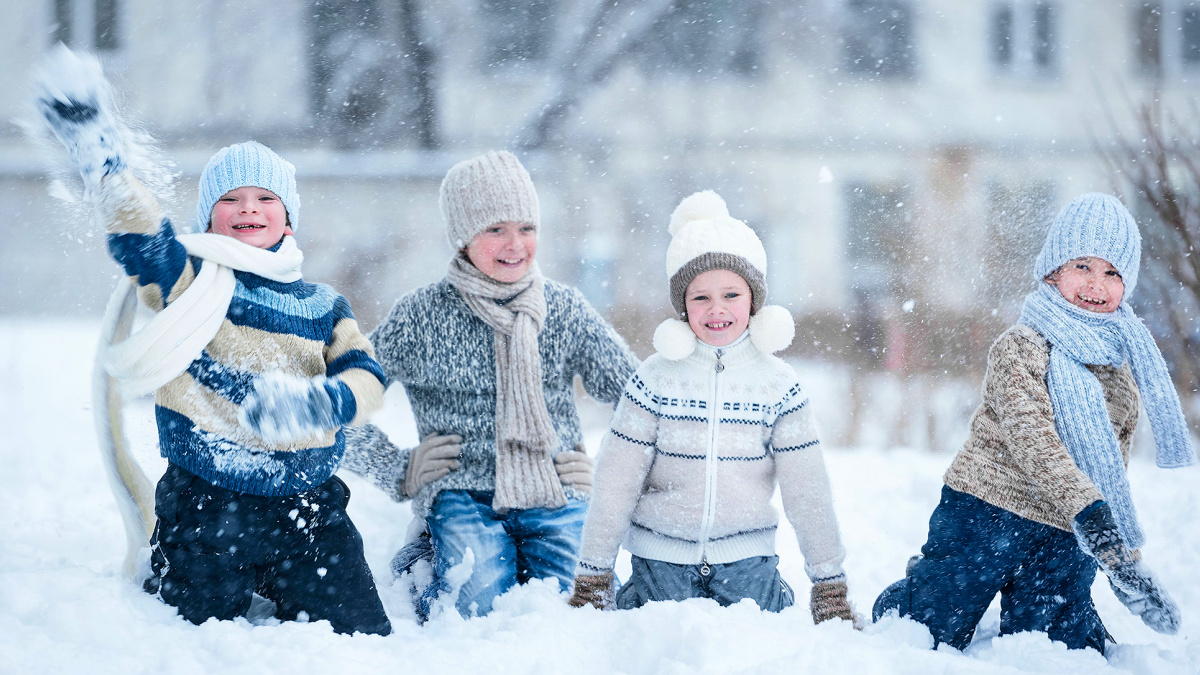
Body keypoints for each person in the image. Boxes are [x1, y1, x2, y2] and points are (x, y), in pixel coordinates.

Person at [36, 47, 391, 635]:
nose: (247, 206)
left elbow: (368, 377)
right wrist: (107, 165)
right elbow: (145, 240)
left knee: (360, 635)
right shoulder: (192, 282)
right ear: (208, 219)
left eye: (264, 198)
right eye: (230, 199)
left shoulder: (324, 305)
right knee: (187, 637)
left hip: (308, 506)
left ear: (289, 219)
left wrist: (322, 403)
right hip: (206, 505)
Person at [872, 193, 1192, 653]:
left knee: (1057, 648)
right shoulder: (1020, 347)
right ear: (1053, 270)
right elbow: (1033, 441)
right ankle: (918, 592)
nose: (1096, 284)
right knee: (933, 629)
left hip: (1065, 529)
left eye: (1113, 272)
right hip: (986, 512)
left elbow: (1109, 473)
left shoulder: (1122, 372)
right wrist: (1094, 519)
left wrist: (1123, 559)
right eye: (1082, 265)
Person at [341, 150, 638, 620]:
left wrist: (604, 470)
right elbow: (335, 405)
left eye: (526, 227)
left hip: (555, 490)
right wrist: (397, 469)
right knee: (475, 605)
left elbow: (643, 401)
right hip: (462, 494)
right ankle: (425, 557)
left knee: (588, 607)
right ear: (462, 238)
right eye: (495, 228)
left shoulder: (564, 309)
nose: (514, 243)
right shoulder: (421, 315)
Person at [567, 191, 856, 624]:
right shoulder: (654, 379)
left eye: (731, 294)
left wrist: (829, 582)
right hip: (660, 563)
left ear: (754, 300)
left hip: (747, 564)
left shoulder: (778, 385)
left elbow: (807, 489)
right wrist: (593, 573)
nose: (716, 309)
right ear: (682, 306)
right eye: (700, 297)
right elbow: (616, 480)